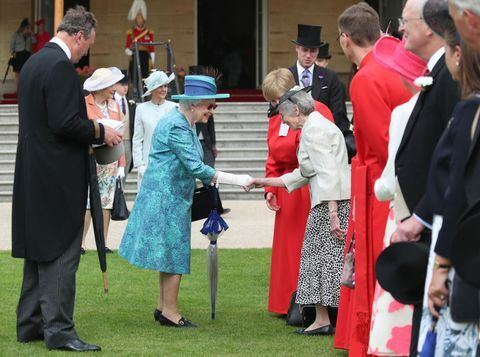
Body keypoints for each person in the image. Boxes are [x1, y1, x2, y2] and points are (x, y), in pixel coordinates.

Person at [12, 6, 122, 352]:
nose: (84, 52)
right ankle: (58, 330)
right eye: (86, 45)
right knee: (62, 250)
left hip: (34, 170)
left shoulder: (33, 62)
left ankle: (30, 323)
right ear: (79, 36)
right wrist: (100, 130)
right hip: (56, 174)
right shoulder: (59, 66)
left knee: (38, 250)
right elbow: (63, 122)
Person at [119, 75, 251, 327]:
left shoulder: (184, 122)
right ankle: (170, 312)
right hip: (166, 199)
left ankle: (163, 307)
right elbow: (196, 167)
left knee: (170, 254)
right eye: (209, 106)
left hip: (171, 197)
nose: (212, 111)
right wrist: (239, 179)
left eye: (214, 106)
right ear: (193, 104)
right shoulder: (178, 125)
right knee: (175, 254)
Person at [333, 3, 412, 355]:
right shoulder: (396, 62)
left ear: (345, 40)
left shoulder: (366, 78)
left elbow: (382, 147)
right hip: (395, 178)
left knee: (372, 264)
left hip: (380, 187)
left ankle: (369, 338)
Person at [389, 0, 460, 353]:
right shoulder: (438, 73)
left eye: (405, 21)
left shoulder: (449, 77)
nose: (401, 28)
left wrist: (421, 216)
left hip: (438, 221)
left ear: (429, 27)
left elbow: (454, 159)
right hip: (427, 220)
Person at [252, 87, 350, 335]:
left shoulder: (313, 130)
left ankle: (326, 320)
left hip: (330, 204)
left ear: (296, 110)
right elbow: (303, 174)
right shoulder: (316, 125)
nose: (284, 123)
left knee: (322, 263)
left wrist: (333, 215)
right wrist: (263, 182)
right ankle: (322, 320)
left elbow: (327, 173)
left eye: (284, 117)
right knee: (317, 262)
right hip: (331, 201)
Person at [368, 35, 427, 356]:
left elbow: (389, 183)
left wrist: (373, 185)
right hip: (445, 218)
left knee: (400, 298)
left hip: (405, 215)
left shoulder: (405, 113)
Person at [261, 68, 334, 316]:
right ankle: (286, 303)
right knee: (287, 250)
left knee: (309, 246)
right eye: (271, 101)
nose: (274, 105)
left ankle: (311, 304)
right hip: (286, 190)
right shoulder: (275, 119)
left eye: (277, 99)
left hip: (308, 185)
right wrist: (270, 188)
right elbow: (272, 155)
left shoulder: (316, 110)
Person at [288, 24, 354, 159]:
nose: (308, 55)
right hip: (291, 144)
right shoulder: (286, 76)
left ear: (318, 51)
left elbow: (339, 115)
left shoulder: (330, 78)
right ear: (297, 48)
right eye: (304, 50)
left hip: (324, 143)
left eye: (313, 51)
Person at [81, 67, 126, 254]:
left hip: (110, 160)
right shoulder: (84, 104)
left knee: (106, 202)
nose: (114, 88)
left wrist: (122, 163)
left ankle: (102, 243)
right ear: (100, 87)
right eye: (110, 85)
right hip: (90, 158)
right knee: (88, 202)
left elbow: (120, 134)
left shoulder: (114, 105)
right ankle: (80, 244)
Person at [132, 70, 176, 189]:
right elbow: (137, 139)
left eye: (165, 86)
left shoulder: (174, 107)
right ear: (151, 89)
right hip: (148, 164)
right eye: (160, 86)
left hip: (170, 163)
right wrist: (140, 165)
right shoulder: (141, 109)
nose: (163, 89)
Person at [125, 0, 154, 81]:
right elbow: (127, 48)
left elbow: (152, 49)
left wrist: (152, 61)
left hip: (145, 57)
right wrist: (131, 53)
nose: (140, 20)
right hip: (135, 56)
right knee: (134, 77)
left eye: (141, 18)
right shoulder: (131, 32)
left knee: (145, 78)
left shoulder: (149, 32)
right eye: (138, 18)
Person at [114, 69, 136, 177]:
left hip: (128, 141)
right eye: (122, 84)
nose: (125, 87)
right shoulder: (110, 101)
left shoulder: (131, 103)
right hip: (114, 141)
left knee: (126, 167)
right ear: (115, 85)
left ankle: (120, 192)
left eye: (126, 84)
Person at [10, 18, 36, 92]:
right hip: (18, 55)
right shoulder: (16, 34)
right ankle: (17, 89)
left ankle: (25, 89)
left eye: (28, 27)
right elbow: (12, 45)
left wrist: (31, 33)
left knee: (26, 72)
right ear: (22, 27)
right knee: (18, 73)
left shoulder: (29, 35)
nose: (27, 29)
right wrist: (12, 52)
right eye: (26, 27)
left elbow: (34, 41)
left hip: (26, 54)